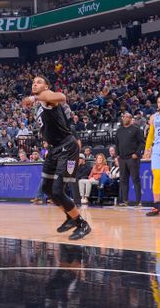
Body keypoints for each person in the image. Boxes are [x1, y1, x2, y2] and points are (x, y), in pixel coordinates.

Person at [22, 76, 91, 240]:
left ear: (46, 86)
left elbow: (62, 97)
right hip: (54, 150)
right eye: (33, 82)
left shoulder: (47, 97)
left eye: (38, 82)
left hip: (67, 148)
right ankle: (70, 217)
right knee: (47, 189)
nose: (34, 83)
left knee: (58, 190)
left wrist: (35, 97)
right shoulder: (40, 103)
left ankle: (82, 224)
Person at [114, 112, 145, 206]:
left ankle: (138, 201)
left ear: (131, 119)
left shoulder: (136, 130)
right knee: (123, 180)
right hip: (122, 158)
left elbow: (142, 143)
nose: (125, 118)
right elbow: (117, 144)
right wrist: (117, 155)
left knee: (135, 179)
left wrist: (137, 153)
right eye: (124, 117)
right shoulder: (119, 131)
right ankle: (125, 201)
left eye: (127, 117)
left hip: (132, 158)